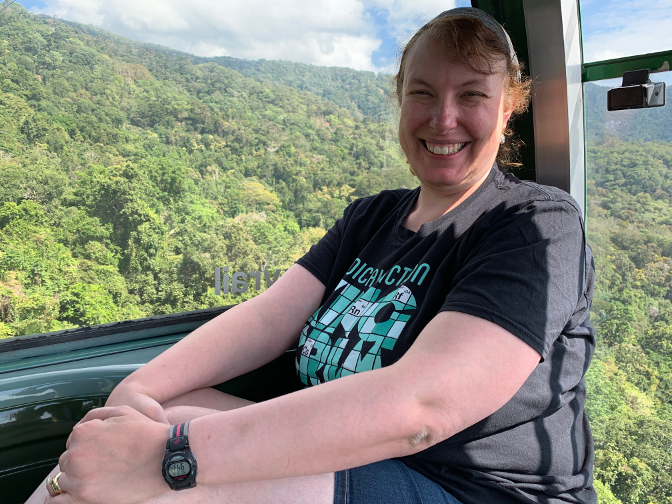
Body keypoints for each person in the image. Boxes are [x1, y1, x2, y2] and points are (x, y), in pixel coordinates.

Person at [30, 7, 597, 504]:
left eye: (472, 94)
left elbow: (423, 408)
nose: (442, 118)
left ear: (508, 109)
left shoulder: (534, 225)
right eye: (422, 92)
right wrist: (137, 390)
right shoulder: (371, 218)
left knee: (164, 472)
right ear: (401, 99)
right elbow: (267, 318)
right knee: (153, 417)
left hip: (467, 488)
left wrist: (170, 459)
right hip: (357, 461)